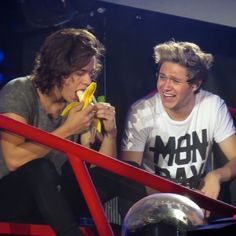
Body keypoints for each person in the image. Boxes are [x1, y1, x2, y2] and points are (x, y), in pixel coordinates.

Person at [0, 28, 145, 236]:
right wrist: (68, 129)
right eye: (80, 73)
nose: (87, 81)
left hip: (53, 205)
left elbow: (98, 171)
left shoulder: (75, 105)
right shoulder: (20, 90)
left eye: (91, 73)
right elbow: (13, 160)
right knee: (40, 168)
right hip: (12, 201)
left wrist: (110, 135)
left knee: (126, 172)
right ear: (57, 68)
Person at [121, 41, 236, 213]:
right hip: (152, 204)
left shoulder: (212, 105)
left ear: (195, 84)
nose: (165, 87)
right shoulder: (141, 112)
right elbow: (130, 176)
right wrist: (182, 201)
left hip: (198, 202)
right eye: (162, 77)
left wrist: (217, 176)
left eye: (175, 80)